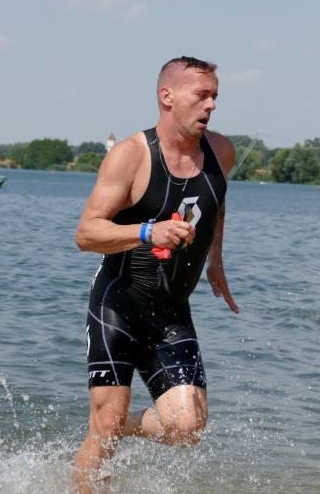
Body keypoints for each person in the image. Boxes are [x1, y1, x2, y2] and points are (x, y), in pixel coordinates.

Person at [72, 57, 239, 491]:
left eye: (215, 96)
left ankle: (114, 426)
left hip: (171, 309)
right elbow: (86, 233)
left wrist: (216, 261)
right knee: (104, 425)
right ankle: (105, 431)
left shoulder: (222, 152)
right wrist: (148, 231)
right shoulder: (130, 155)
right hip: (119, 303)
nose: (211, 105)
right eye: (201, 95)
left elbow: (216, 203)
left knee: (188, 428)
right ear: (167, 96)